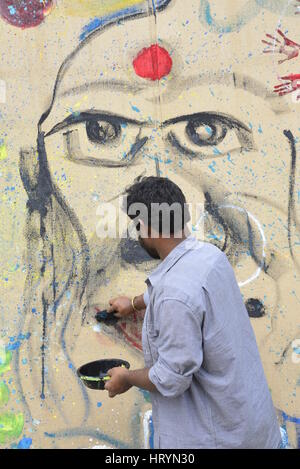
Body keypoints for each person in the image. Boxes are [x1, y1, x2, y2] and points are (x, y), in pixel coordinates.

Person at [104, 176, 282, 449]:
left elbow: (172, 378)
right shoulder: (210, 257)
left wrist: (126, 378)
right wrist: (135, 302)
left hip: (220, 441)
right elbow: (183, 291)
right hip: (256, 431)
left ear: (146, 226)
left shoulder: (175, 293)